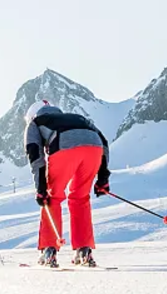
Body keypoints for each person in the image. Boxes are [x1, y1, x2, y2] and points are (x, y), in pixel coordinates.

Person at [24, 100, 111, 268]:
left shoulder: (35, 123)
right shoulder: (79, 118)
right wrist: (103, 179)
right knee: (80, 197)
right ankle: (83, 250)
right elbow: (104, 143)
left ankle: (49, 250)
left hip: (64, 146)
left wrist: (41, 188)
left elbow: (35, 154)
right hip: (94, 149)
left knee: (53, 197)